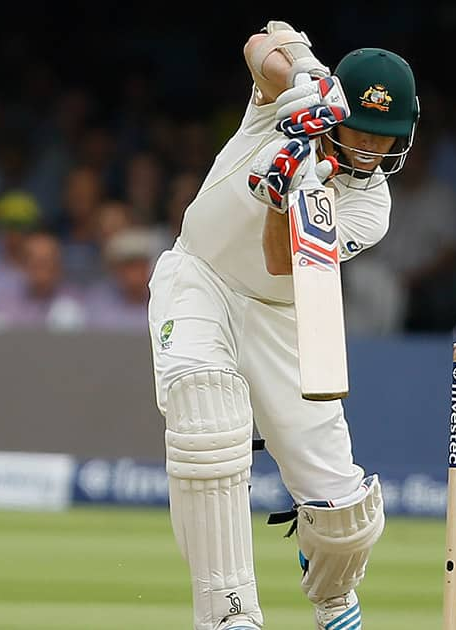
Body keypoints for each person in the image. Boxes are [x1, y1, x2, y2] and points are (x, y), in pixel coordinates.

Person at [145, 20, 418, 630]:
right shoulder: (287, 104)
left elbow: (280, 262)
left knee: (345, 517)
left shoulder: (370, 207)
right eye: (363, 131)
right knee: (207, 419)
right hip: (200, 279)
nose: (373, 149)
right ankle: (230, 614)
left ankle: (333, 599)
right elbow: (262, 40)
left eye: (386, 137)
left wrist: (283, 192)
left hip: (285, 312)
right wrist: (306, 75)